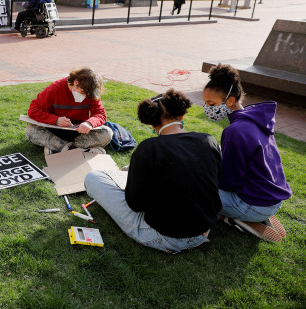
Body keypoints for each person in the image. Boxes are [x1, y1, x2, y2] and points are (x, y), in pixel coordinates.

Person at [85, 89, 222, 253]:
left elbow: (135, 205)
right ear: (181, 116)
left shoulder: (149, 148)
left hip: (164, 236)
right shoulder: (209, 140)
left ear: (152, 124)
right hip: (203, 231)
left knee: (93, 178)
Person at [202, 64, 291, 242]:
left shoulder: (235, 131)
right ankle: (255, 214)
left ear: (230, 101)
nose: (207, 109)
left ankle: (233, 218)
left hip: (254, 203)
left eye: (211, 104)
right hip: (272, 199)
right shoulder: (255, 119)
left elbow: (230, 181)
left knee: (195, 189)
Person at [26, 68, 112, 156]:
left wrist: (89, 123)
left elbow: (100, 114)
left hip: (79, 132)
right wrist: (56, 120)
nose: (85, 96)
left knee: (107, 133)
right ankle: (79, 149)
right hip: (54, 130)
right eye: (82, 92)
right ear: (76, 82)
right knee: (31, 130)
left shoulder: (91, 92)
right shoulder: (55, 88)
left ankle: (58, 148)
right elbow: (33, 110)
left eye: (87, 94)